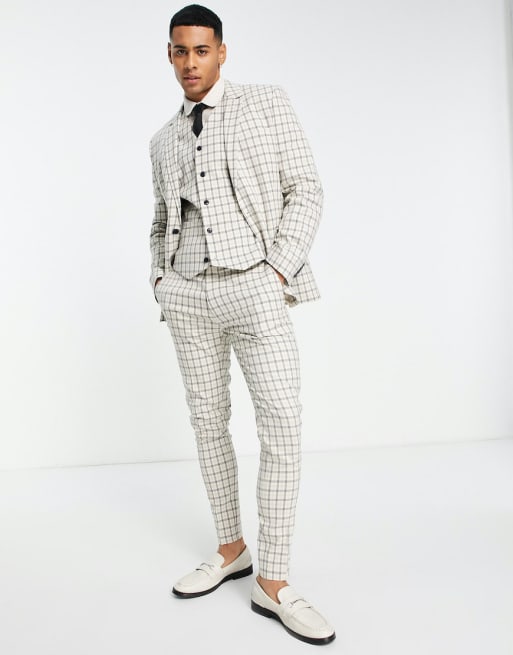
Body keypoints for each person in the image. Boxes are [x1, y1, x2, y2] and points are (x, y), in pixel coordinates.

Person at [149, 4, 335, 645]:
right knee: (208, 423)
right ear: (169, 55)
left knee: (281, 424)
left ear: (221, 52)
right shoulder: (162, 139)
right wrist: (161, 280)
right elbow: (159, 221)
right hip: (188, 295)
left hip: (255, 285)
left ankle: (273, 581)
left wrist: (276, 271)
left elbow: (305, 188)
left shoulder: (265, 103)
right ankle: (232, 549)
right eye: (180, 50)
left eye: (201, 50)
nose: (190, 62)